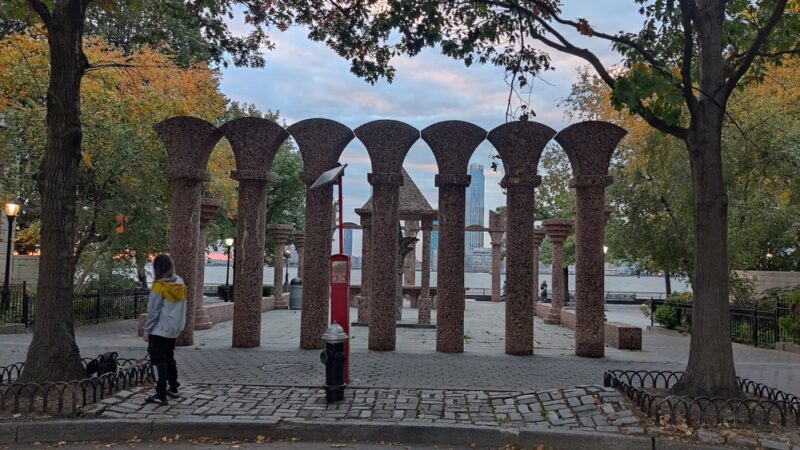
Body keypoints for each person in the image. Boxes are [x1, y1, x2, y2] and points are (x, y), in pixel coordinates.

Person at [143, 254, 187, 405]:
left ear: (158, 268)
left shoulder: (159, 285)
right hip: (173, 329)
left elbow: (153, 311)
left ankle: (160, 394)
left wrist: (146, 331)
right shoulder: (180, 282)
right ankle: (173, 387)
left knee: (157, 362)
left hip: (159, 330)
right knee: (169, 358)